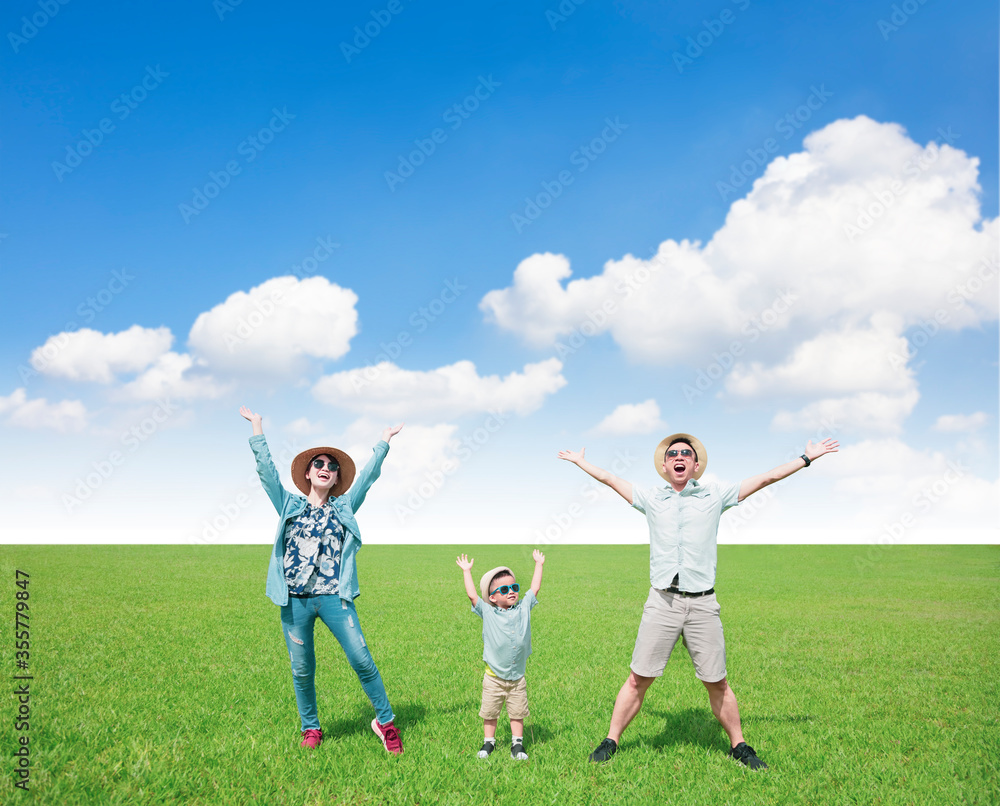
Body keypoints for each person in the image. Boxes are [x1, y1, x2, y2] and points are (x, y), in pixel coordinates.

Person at [559, 432, 838, 769]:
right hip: (662, 601)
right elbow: (610, 479)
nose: (679, 457)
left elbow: (767, 478)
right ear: (665, 465)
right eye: (673, 453)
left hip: (703, 604)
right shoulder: (651, 498)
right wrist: (580, 461)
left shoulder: (714, 496)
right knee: (638, 678)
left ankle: (740, 746)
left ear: (694, 465)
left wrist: (806, 458)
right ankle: (611, 740)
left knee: (716, 681)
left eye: (686, 454)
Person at [239, 405, 405, 754]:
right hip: (295, 599)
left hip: (334, 597)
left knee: (362, 659)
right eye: (320, 464)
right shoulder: (288, 504)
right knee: (302, 669)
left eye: (332, 466)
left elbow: (368, 478)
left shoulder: (344, 507)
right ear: (309, 473)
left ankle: (386, 723)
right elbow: (266, 472)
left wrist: (384, 441)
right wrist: (257, 428)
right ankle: (311, 728)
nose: (326, 468)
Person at [456, 550, 545, 761]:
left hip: (517, 677)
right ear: (492, 598)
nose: (511, 592)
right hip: (494, 677)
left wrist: (539, 564)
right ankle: (489, 742)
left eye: (514, 587)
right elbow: (472, 596)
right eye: (504, 590)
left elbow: (535, 588)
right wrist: (467, 571)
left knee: (517, 712)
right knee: (490, 712)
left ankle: (517, 744)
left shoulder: (524, 608)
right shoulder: (488, 612)